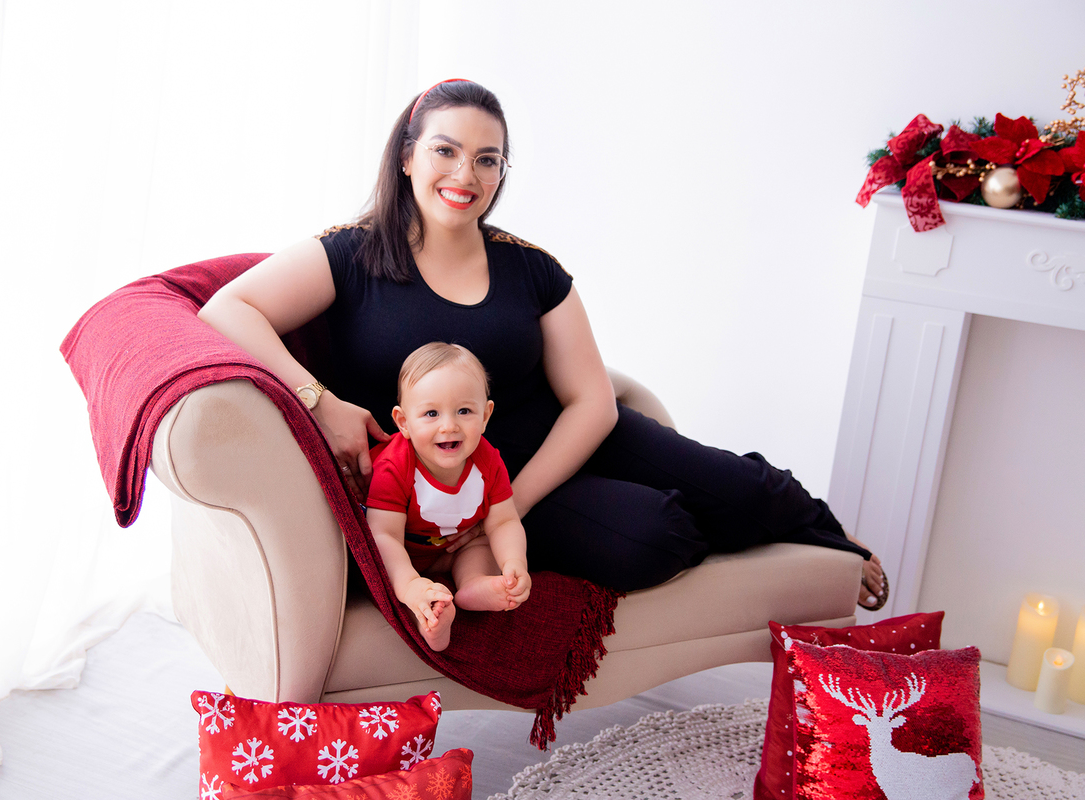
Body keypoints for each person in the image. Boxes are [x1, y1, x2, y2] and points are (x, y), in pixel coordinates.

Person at [197, 78, 888, 610]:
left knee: (745, 488)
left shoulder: (530, 267)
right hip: (457, 471)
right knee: (659, 538)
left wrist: (508, 508)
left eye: (487, 159)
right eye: (446, 150)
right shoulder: (348, 255)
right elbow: (230, 309)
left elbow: (591, 400)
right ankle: (682, 515)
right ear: (408, 157)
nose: (465, 175)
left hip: (550, 456)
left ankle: (831, 538)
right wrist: (319, 400)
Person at [365, 342, 530, 651]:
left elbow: (505, 521)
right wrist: (411, 585)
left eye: (464, 411)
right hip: (404, 553)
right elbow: (383, 535)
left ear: (485, 415)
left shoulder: (488, 460)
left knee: (482, 544)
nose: (449, 425)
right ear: (404, 422)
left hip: (455, 547)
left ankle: (473, 585)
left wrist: (513, 562)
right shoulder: (395, 466)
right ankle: (430, 619)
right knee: (393, 580)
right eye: (431, 413)